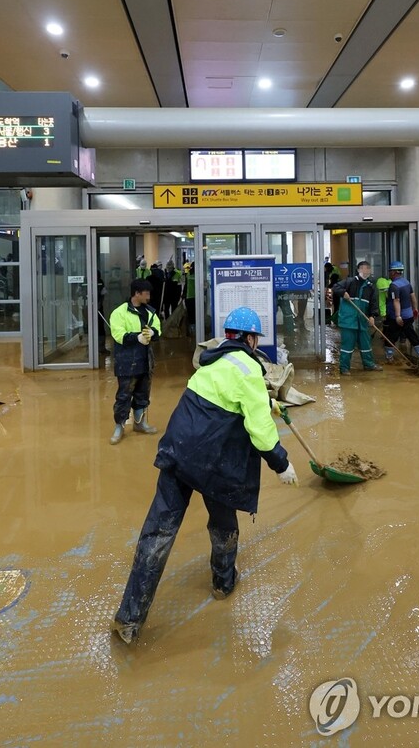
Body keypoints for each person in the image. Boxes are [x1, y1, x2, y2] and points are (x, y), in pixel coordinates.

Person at [112, 306, 297, 644]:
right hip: (214, 463)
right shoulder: (250, 370)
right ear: (252, 339)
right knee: (223, 524)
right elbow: (259, 430)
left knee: (157, 533)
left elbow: (224, 399)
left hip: (177, 452)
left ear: (228, 337)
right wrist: (281, 463)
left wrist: (262, 400)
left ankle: (129, 618)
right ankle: (223, 583)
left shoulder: (210, 363)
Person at [109, 279, 162, 445]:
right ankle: (119, 426)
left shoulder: (151, 312)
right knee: (124, 394)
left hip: (145, 360)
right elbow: (118, 335)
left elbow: (158, 329)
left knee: (142, 392)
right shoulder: (119, 312)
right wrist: (136, 337)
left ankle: (140, 424)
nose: (149, 296)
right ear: (137, 294)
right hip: (126, 360)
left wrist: (153, 333)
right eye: (146, 293)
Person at [332, 261, 382, 376]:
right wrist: (343, 292)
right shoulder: (349, 282)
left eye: (368, 269)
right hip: (348, 320)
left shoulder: (371, 287)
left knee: (366, 344)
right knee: (347, 346)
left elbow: (374, 304)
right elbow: (336, 287)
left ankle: (369, 364)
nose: (366, 271)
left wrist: (372, 316)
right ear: (358, 270)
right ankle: (344, 368)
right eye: (363, 269)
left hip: (362, 320)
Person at [383, 261, 419, 374]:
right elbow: (413, 296)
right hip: (409, 315)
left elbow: (396, 301)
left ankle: (389, 358)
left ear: (393, 272)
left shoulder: (394, 286)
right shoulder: (406, 282)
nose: (389, 273)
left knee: (390, 337)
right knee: (411, 335)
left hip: (397, 317)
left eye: (390, 271)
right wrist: (415, 309)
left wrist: (398, 316)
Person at [183, 261, 196, 335]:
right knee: (194, 314)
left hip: (188, 297)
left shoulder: (188, 274)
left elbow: (186, 285)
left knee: (190, 314)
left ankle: (191, 330)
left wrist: (183, 295)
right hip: (195, 297)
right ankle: (194, 330)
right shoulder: (198, 274)